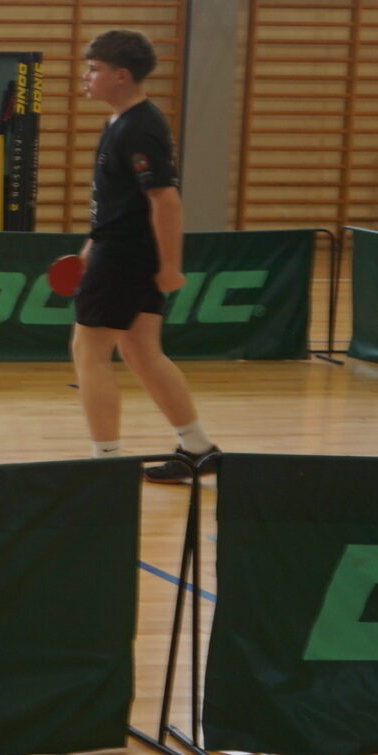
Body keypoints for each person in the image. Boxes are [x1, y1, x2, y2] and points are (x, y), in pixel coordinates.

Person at [70, 28, 219, 483]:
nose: (85, 77)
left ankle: (107, 466)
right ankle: (199, 449)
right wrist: (92, 243)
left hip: (126, 256)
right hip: (119, 248)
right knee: (140, 351)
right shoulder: (121, 121)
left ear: (121, 75)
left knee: (89, 352)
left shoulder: (140, 128)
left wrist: (171, 267)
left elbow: (165, 200)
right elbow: (123, 199)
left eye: (94, 69)